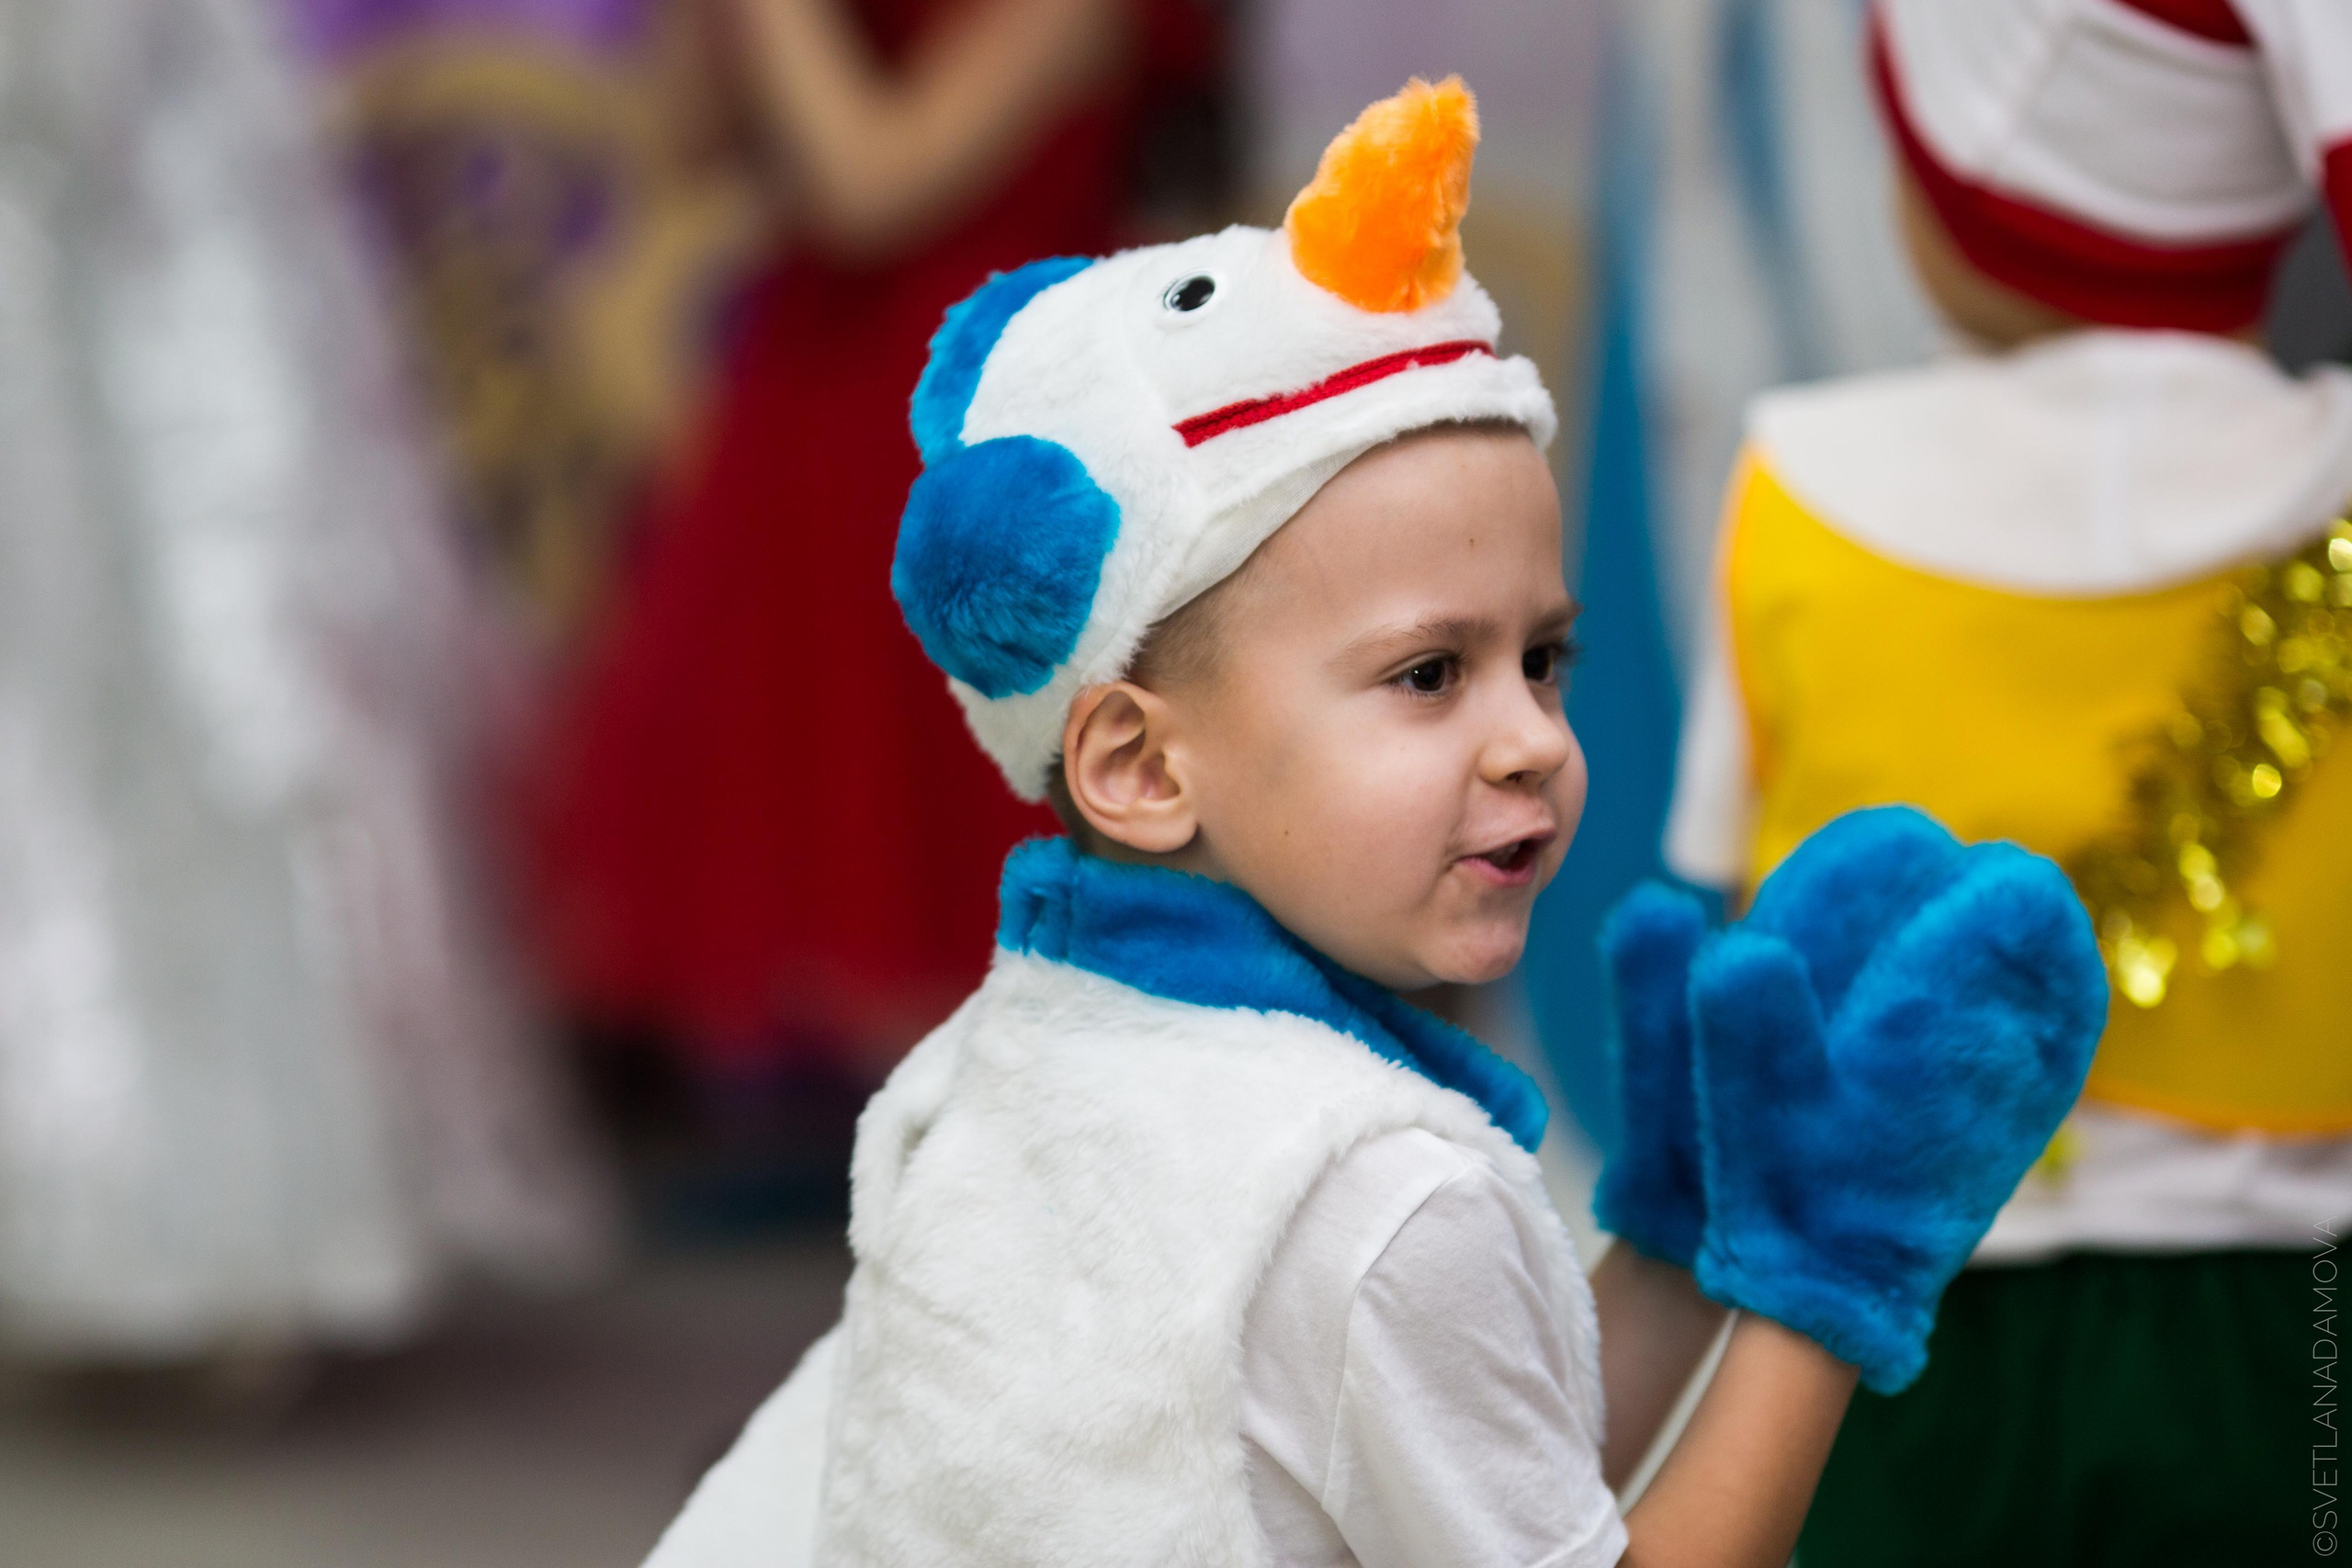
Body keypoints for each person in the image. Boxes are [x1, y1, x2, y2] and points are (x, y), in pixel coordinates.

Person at [634, 79, 2106, 1566]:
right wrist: (1829, 1278)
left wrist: (1671, 1229)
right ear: (1142, 768)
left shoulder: (1015, 1056)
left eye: (1544, 658)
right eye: (1428, 674)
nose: (1533, 736)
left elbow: (1445, 1463)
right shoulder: (1369, 1194)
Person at [1662, 1, 2352, 1559]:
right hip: (2299, 1323)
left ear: (1959, 196)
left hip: (1889, 1326)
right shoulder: (2341, 489)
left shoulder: (1793, 482)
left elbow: (1730, 921)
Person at [0, 0, 609, 1361]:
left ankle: (263, 1214)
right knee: (72, 747)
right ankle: (105, 1199)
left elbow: (102, 86)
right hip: (67, 302)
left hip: (179, 311)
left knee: (242, 726)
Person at [527, 0, 1218, 1080]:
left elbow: (873, 184)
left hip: (994, 416)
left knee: (956, 845)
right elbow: (686, 142)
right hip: (810, 389)